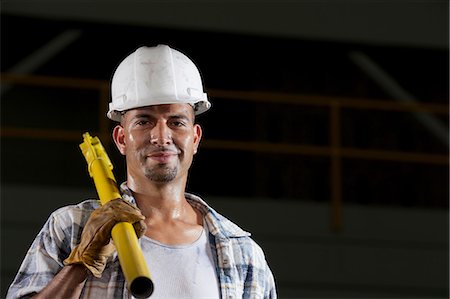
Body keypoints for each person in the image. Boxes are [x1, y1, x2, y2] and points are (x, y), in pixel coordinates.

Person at [7, 44, 277, 299]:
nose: (161, 136)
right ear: (121, 139)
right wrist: (80, 264)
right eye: (144, 121)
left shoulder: (242, 253)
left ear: (195, 138)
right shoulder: (71, 228)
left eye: (176, 122)